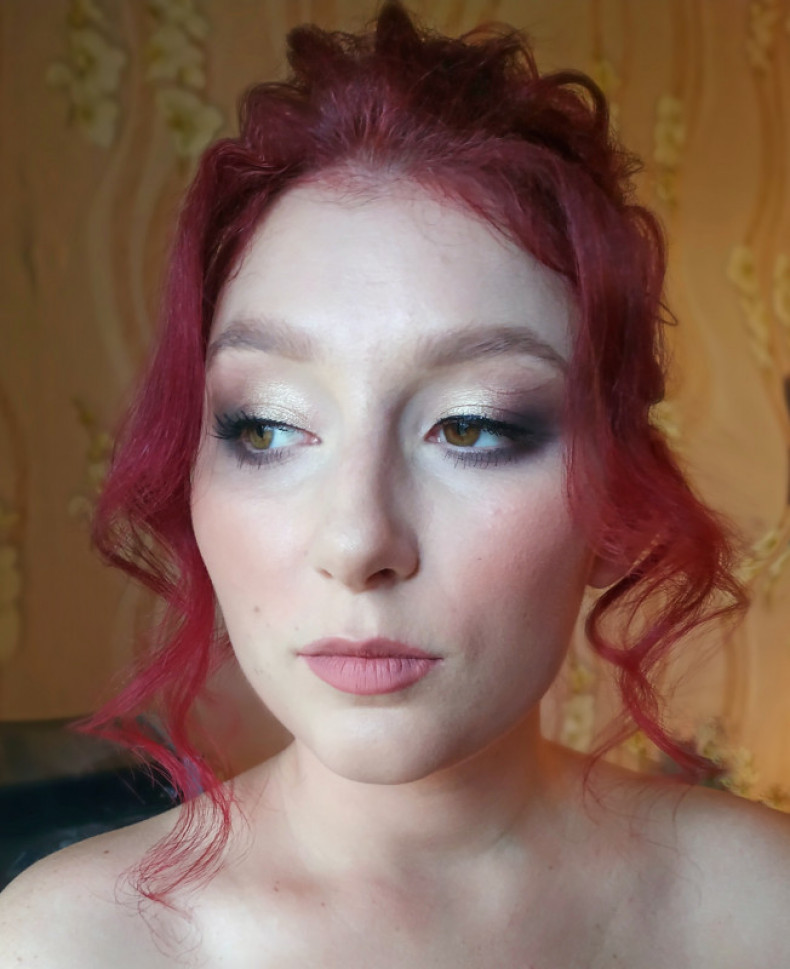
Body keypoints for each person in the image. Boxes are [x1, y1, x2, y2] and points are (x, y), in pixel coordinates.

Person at [2, 3, 789, 965]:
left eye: (471, 426)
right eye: (269, 426)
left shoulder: (764, 905)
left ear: (617, 496)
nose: (358, 540)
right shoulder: (71, 943)